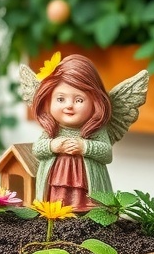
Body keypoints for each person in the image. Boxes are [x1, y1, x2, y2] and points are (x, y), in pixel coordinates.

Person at [30, 54, 114, 210]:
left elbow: (107, 154)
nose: (69, 105)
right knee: (56, 202)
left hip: (87, 186)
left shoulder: (95, 130)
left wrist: (84, 147)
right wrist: (53, 146)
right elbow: (37, 149)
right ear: (48, 101)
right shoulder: (53, 130)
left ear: (96, 102)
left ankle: (86, 214)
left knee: (85, 206)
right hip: (55, 185)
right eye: (60, 99)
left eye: (79, 100)